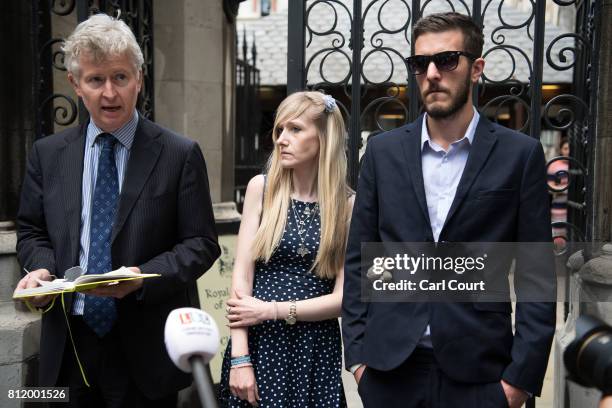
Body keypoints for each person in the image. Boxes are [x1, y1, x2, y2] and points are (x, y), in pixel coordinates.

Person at [342, 12, 556, 408]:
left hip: (481, 376)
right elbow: (359, 258)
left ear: (476, 68)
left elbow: (537, 276)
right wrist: (357, 358)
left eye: (447, 60)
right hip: (390, 374)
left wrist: (518, 383)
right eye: (421, 63)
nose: (432, 74)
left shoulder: (519, 155)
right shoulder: (382, 153)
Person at [15, 13, 220, 407]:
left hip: (147, 350)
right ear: (76, 84)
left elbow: (201, 243)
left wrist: (144, 277)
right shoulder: (47, 155)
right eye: (96, 80)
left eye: (121, 78)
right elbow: (32, 230)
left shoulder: (179, 154)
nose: (110, 92)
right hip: (69, 346)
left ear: (139, 79)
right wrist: (40, 269)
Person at [218, 91, 353, 407]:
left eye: (295, 129)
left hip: (315, 348)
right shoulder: (261, 190)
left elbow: (344, 298)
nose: (281, 139)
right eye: (279, 130)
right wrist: (240, 358)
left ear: (324, 138)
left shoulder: (346, 206)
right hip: (260, 343)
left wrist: (275, 310)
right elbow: (241, 281)